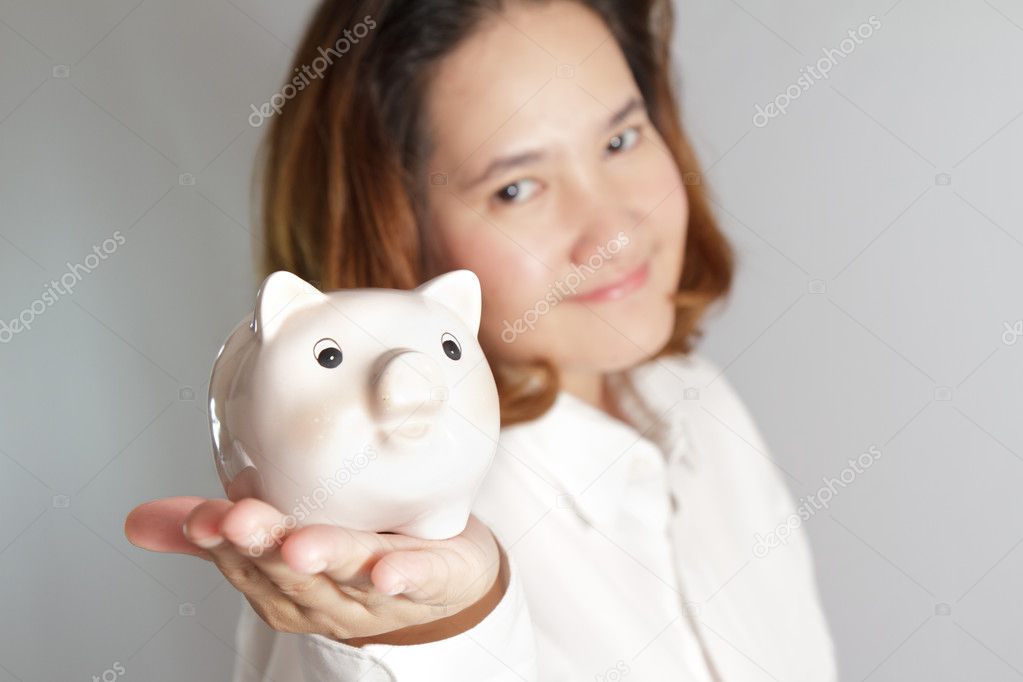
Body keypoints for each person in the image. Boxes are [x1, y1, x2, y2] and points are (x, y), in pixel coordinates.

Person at [124, 0, 838, 679]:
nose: (615, 231)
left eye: (620, 139)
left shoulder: (698, 402)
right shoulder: (372, 521)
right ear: (399, 233)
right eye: (516, 188)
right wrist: (421, 630)